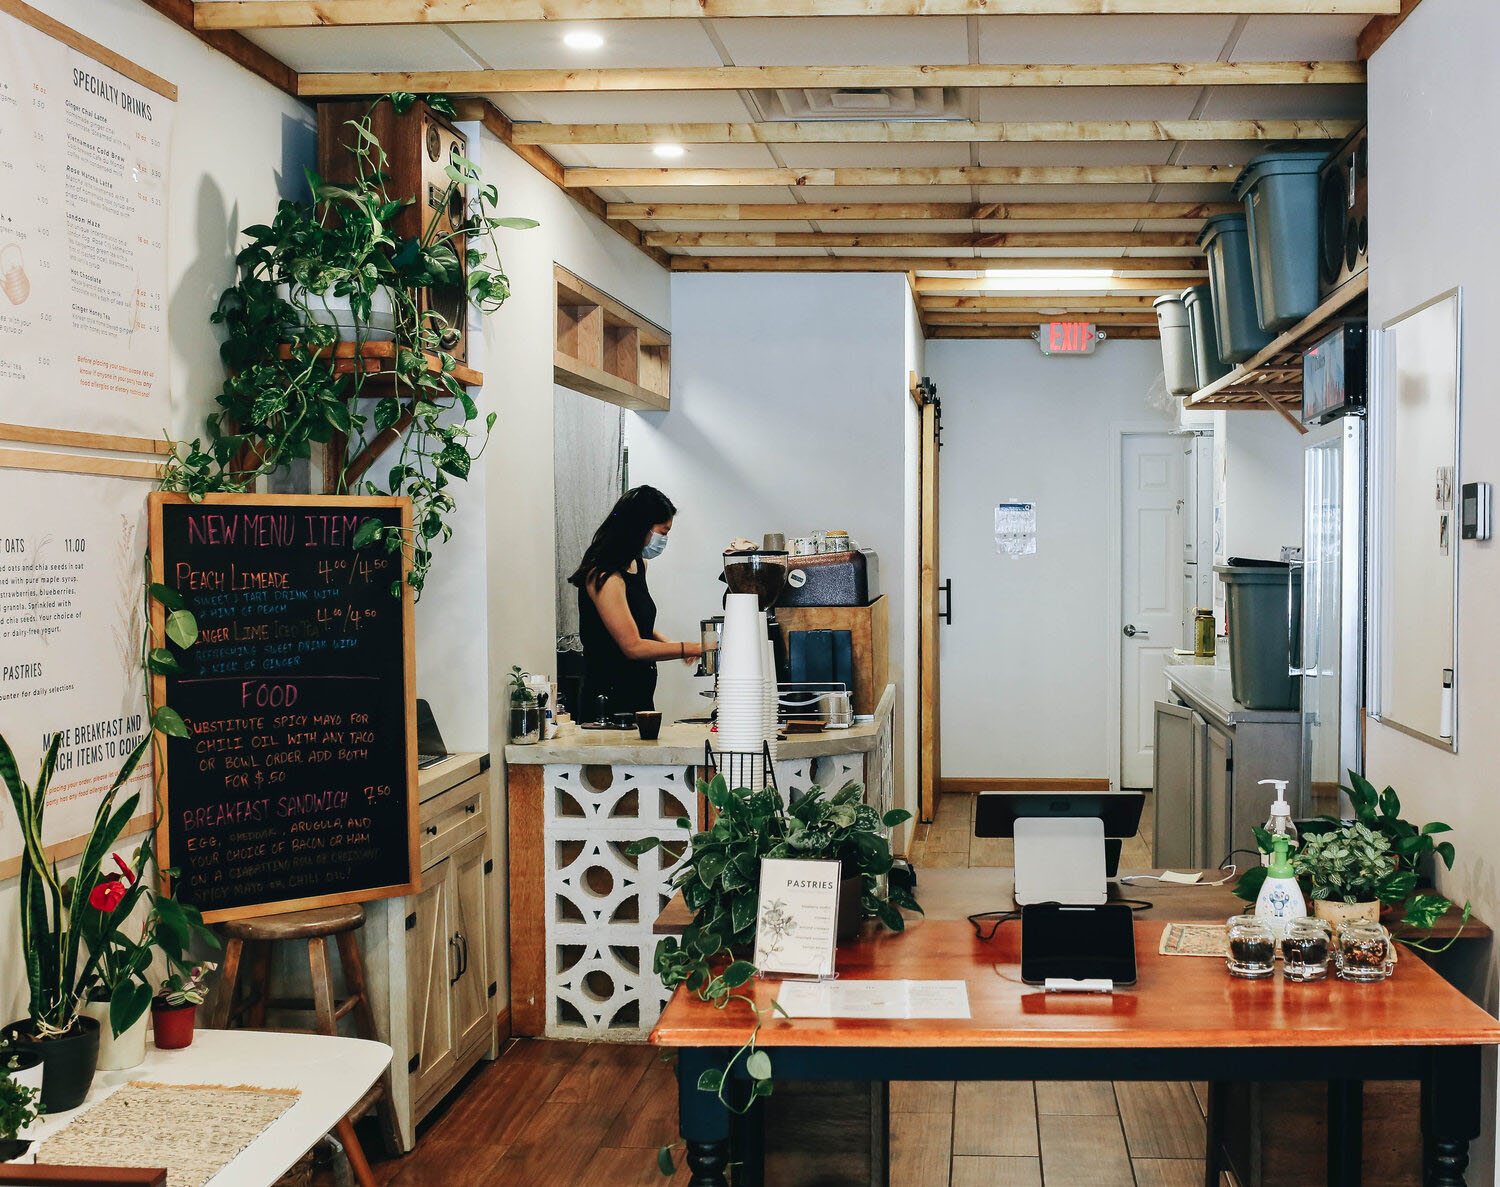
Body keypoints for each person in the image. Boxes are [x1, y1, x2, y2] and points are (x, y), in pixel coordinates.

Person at [569, 485, 705, 719]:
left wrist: (666, 642)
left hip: (639, 694)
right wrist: (693, 648)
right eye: (664, 531)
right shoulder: (604, 576)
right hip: (608, 703)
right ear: (641, 527)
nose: (665, 539)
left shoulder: (638, 566)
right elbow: (632, 646)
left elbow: (634, 621)